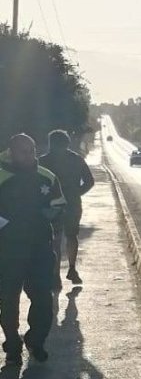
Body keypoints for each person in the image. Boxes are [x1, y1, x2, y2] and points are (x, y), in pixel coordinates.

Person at [0, 134, 67, 365]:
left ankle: (35, 341)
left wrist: (47, 217)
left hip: (39, 248)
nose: (30, 156)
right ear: (12, 152)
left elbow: (59, 204)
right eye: (23, 152)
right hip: (7, 251)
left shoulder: (46, 177)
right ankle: (12, 344)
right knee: (8, 299)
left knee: (43, 298)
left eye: (32, 151)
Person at [40, 129, 94, 288]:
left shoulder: (43, 161)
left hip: (52, 205)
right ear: (67, 143)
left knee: (55, 239)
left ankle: (56, 275)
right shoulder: (77, 159)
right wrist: (77, 193)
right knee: (71, 236)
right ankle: (71, 269)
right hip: (72, 204)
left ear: (51, 144)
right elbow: (89, 181)